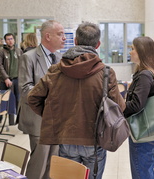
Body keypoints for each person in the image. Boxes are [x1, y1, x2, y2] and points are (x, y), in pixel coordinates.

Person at [27, 22, 125, 179]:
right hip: (95, 140)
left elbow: (33, 98)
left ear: (76, 41)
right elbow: (119, 107)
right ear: (98, 44)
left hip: (66, 137)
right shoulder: (106, 73)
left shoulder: (56, 69)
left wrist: (52, 116)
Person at [17, 20, 66, 179]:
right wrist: (50, 95)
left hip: (57, 120)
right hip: (39, 118)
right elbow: (25, 89)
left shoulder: (60, 58)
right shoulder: (29, 57)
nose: (64, 38)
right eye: (60, 34)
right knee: (39, 163)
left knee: (52, 164)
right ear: (48, 36)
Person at [123, 36, 154, 179]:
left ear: (141, 51)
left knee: (141, 172)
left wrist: (117, 106)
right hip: (150, 130)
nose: (131, 52)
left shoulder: (144, 75)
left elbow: (136, 105)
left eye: (133, 49)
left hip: (142, 132)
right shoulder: (151, 71)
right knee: (146, 169)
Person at [0, 33, 23, 125]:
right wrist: (6, 78)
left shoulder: (19, 51)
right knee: (3, 100)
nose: (10, 41)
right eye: (8, 39)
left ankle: (14, 121)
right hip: (5, 80)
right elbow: (0, 66)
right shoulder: (1, 52)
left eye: (11, 39)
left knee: (17, 100)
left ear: (14, 40)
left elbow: (22, 65)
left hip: (17, 79)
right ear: (5, 41)